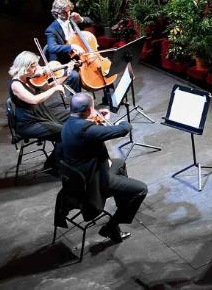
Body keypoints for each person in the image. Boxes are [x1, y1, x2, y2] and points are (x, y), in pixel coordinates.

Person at [61, 92, 147, 243]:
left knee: (119, 163)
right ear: (88, 110)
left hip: (80, 175)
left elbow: (90, 134)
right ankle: (112, 226)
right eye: (92, 108)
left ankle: (122, 205)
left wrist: (99, 119)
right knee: (141, 189)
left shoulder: (68, 123)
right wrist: (123, 122)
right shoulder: (87, 130)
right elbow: (123, 129)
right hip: (94, 181)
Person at [8, 51, 68, 171]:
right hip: (29, 122)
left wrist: (66, 72)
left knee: (72, 117)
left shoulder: (30, 78)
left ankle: (68, 158)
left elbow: (48, 87)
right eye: (34, 65)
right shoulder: (16, 84)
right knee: (64, 133)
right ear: (25, 67)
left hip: (41, 113)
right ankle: (53, 165)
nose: (39, 68)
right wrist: (55, 88)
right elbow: (34, 100)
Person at [45, 0, 90, 92]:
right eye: (64, 13)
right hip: (63, 62)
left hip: (79, 58)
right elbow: (52, 48)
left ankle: (109, 100)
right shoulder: (51, 30)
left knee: (102, 68)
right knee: (75, 76)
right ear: (56, 13)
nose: (67, 14)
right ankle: (78, 101)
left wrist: (80, 19)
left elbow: (90, 22)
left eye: (69, 11)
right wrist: (71, 46)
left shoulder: (72, 21)